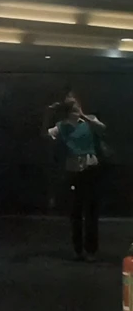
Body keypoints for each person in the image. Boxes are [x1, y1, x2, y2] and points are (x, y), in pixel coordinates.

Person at [49, 96, 105, 261]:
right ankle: (78, 249)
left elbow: (102, 128)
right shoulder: (63, 126)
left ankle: (91, 250)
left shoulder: (89, 120)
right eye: (71, 108)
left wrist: (84, 116)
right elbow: (46, 134)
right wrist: (48, 114)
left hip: (90, 168)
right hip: (74, 171)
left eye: (76, 106)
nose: (75, 110)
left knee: (91, 212)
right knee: (76, 212)